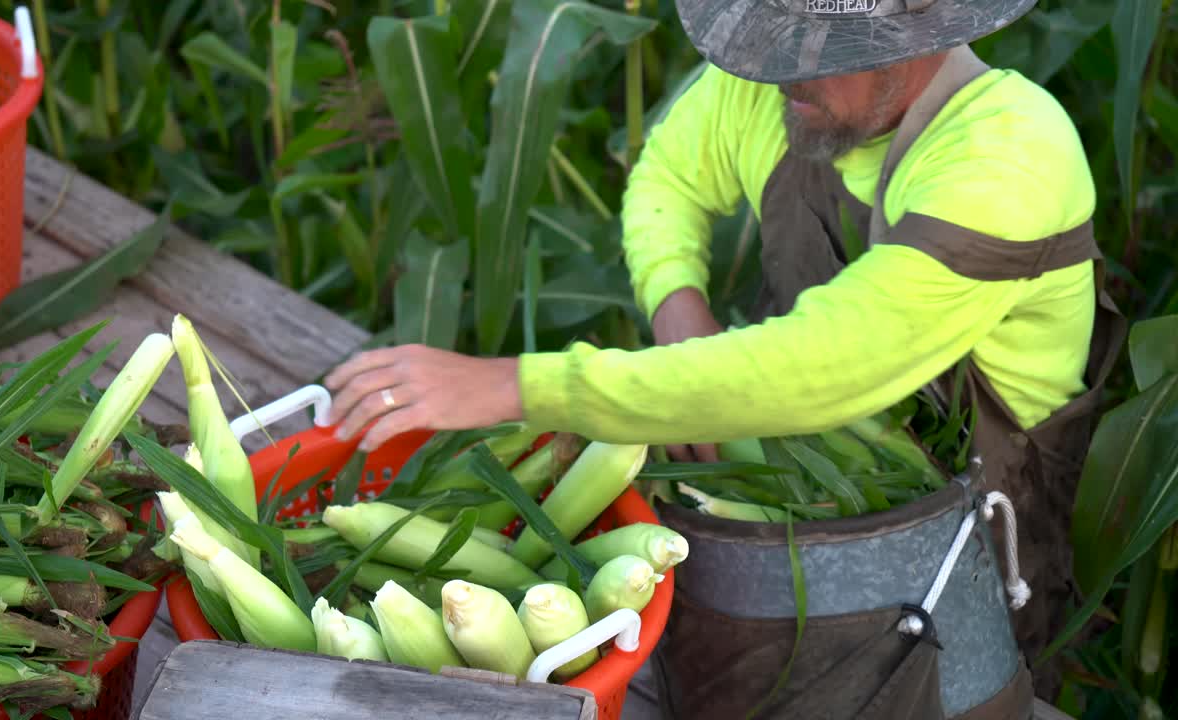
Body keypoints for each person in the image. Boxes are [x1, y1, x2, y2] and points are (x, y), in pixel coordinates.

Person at [325, 0, 1126, 710]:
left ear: (914, 33)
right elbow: (669, 176)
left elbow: (822, 363)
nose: (781, 74)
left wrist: (514, 385)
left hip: (971, 550)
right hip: (787, 500)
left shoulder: (1011, 156)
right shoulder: (785, 88)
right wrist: (680, 310)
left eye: (813, 51)